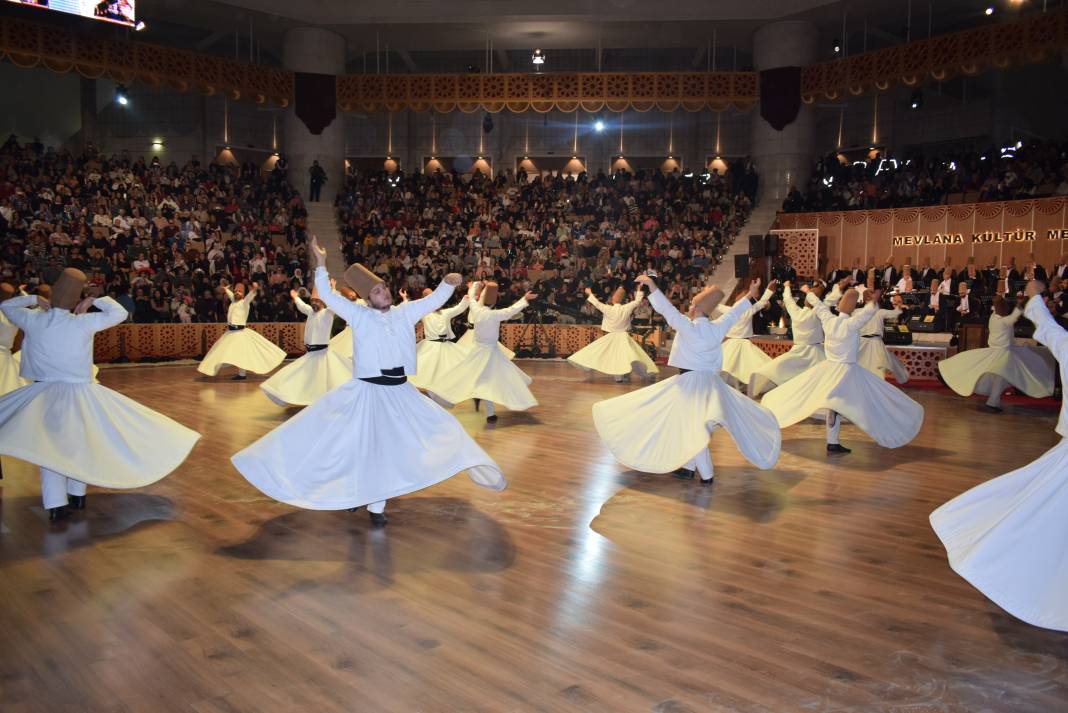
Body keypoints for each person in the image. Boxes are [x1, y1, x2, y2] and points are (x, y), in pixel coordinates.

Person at [232, 238, 506, 527]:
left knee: (441, 427)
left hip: (400, 391)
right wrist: (322, 262)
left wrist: (449, 284)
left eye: (384, 288)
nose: (383, 293)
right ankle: (375, 505)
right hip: (369, 392)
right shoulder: (359, 315)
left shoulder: (404, 312)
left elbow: (433, 301)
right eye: (377, 291)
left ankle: (462, 467)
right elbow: (327, 293)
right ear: (368, 298)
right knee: (369, 446)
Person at [0, 268, 200, 521]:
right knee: (80, 442)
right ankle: (77, 493)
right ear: (76, 300)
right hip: (79, 393)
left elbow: (8, 307)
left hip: (44, 392)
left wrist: (33, 300)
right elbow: (119, 313)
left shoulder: (34, 320)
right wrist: (93, 301)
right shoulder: (83, 322)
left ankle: (55, 503)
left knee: (48, 447)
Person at [929, 280, 1068, 632]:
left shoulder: (1000, 319)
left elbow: (1048, 330)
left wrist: (1035, 298)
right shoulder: (1003, 320)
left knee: (1001, 375)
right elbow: (1044, 328)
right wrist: (1031, 303)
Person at [592, 276, 780, 484]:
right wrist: (751, 294)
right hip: (711, 384)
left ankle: (707, 475)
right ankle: (690, 468)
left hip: (691, 383)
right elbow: (735, 312)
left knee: (693, 428)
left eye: (692, 304)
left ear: (697, 309)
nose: (689, 307)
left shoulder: (689, 327)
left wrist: (653, 286)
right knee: (695, 425)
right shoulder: (717, 327)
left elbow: (667, 310)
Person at [761, 284, 924, 454]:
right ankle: (835, 440)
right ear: (853, 307)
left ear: (839, 305)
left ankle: (833, 441)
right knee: (869, 400)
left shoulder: (829, 319)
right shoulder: (851, 323)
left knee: (835, 406)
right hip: (847, 372)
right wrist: (873, 301)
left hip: (830, 370)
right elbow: (867, 312)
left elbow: (817, 303)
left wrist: (807, 292)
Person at [427, 281, 538, 423]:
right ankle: (491, 411)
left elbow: (472, 298)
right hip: (490, 352)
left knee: (478, 379)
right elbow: (512, 310)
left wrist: (473, 287)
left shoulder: (476, 310)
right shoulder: (495, 314)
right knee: (490, 380)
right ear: (493, 303)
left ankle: (489, 412)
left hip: (479, 351)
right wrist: (525, 299)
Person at [937, 293, 1055, 412]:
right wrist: (1024, 302)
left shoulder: (993, 317)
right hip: (1004, 354)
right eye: (1004, 306)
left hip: (1000, 353)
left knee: (1002, 376)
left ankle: (994, 401)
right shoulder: (1003, 321)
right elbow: (1016, 314)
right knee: (1002, 375)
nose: (1007, 309)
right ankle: (993, 402)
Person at [259, 286, 353, 407]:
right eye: (312, 300)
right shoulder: (311, 312)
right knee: (300, 377)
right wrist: (295, 297)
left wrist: (333, 290)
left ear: (323, 302)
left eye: (317, 301)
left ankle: (322, 403)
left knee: (323, 381)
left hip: (321, 355)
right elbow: (302, 306)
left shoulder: (327, 313)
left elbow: (336, 304)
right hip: (310, 355)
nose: (314, 303)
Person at [566, 285, 658, 383]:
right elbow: (637, 301)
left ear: (615, 298)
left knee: (612, 356)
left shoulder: (609, 308)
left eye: (615, 295)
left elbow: (597, 303)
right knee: (627, 356)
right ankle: (622, 376)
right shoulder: (625, 307)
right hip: (623, 337)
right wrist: (639, 290)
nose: (614, 296)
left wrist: (589, 293)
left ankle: (620, 376)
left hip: (614, 337)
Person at [749, 281, 825, 398]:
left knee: (786, 371)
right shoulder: (819, 312)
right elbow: (821, 305)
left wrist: (787, 286)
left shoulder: (797, 312)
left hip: (800, 351)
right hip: (817, 353)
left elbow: (788, 299)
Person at [198, 281, 286, 380]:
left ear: (243, 293)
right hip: (230, 333)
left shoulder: (244, 303)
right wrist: (226, 289)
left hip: (240, 333)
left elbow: (249, 297)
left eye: (239, 291)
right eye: (236, 291)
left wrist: (253, 290)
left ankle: (242, 374)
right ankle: (213, 368)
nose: (237, 293)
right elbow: (231, 294)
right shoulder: (233, 301)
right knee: (220, 351)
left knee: (242, 353)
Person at [715, 281, 777, 392]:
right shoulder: (747, 310)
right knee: (746, 367)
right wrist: (768, 290)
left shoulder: (730, 311)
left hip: (731, 344)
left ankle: (734, 387)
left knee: (729, 367)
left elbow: (717, 306)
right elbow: (761, 303)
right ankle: (739, 387)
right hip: (742, 344)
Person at [408, 289, 470, 392]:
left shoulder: (445, 313)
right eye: (432, 297)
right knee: (428, 372)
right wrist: (405, 299)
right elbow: (411, 309)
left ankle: (443, 392)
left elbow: (459, 308)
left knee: (448, 371)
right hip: (430, 348)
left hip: (445, 346)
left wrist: (467, 297)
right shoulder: (424, 313)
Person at [857, 289, 910, 384]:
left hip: (875, 341)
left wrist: (898, 306)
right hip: (863, 342)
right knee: (862, 363)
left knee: (879, 364)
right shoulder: (858, 312)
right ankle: (864, 384)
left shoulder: (879, 312)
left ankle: (878, 385)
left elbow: (894, 313)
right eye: (870, 298)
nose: (872, 301)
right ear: (865, 300)